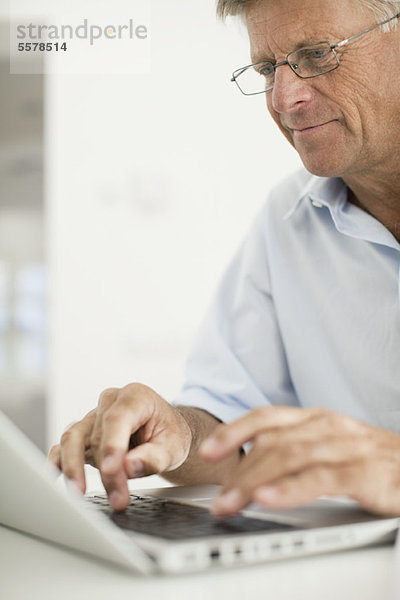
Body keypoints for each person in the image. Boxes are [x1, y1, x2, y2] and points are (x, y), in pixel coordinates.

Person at [49, 0, 400, 518]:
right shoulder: (289, 218)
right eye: (266, 69)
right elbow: (233, 430)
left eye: (317, 53)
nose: (284, 98)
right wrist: (179, 432)